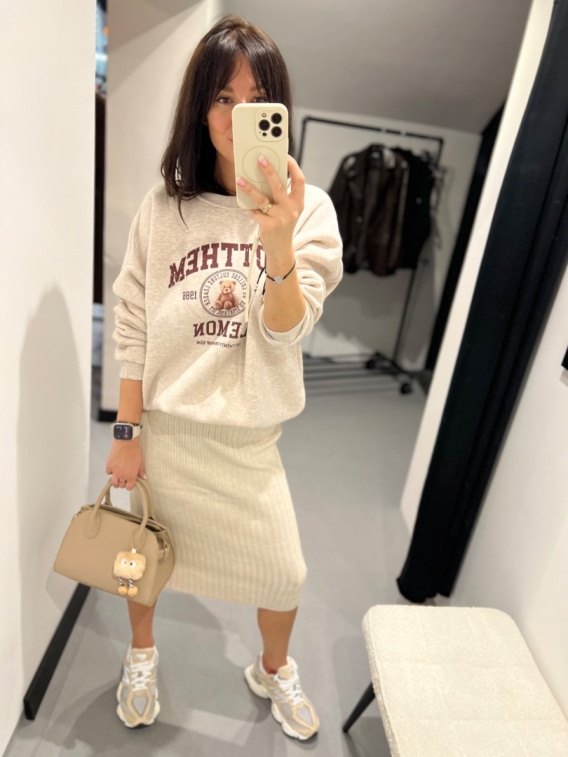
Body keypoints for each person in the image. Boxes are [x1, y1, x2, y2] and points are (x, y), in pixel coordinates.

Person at [106, 14, 342, 742]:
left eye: (258, 100)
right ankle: (140, 656)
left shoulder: (309, 210)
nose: (239, 117)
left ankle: (272, 668)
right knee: (142, 561)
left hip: (247, 443)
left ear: (280, 112)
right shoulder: (163, 208)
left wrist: (278, 241)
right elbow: (134, 321)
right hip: (168, 437)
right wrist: (126, 430)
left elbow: (288, 328)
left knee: (284, 571)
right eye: (223, 98)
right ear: (199, 108)